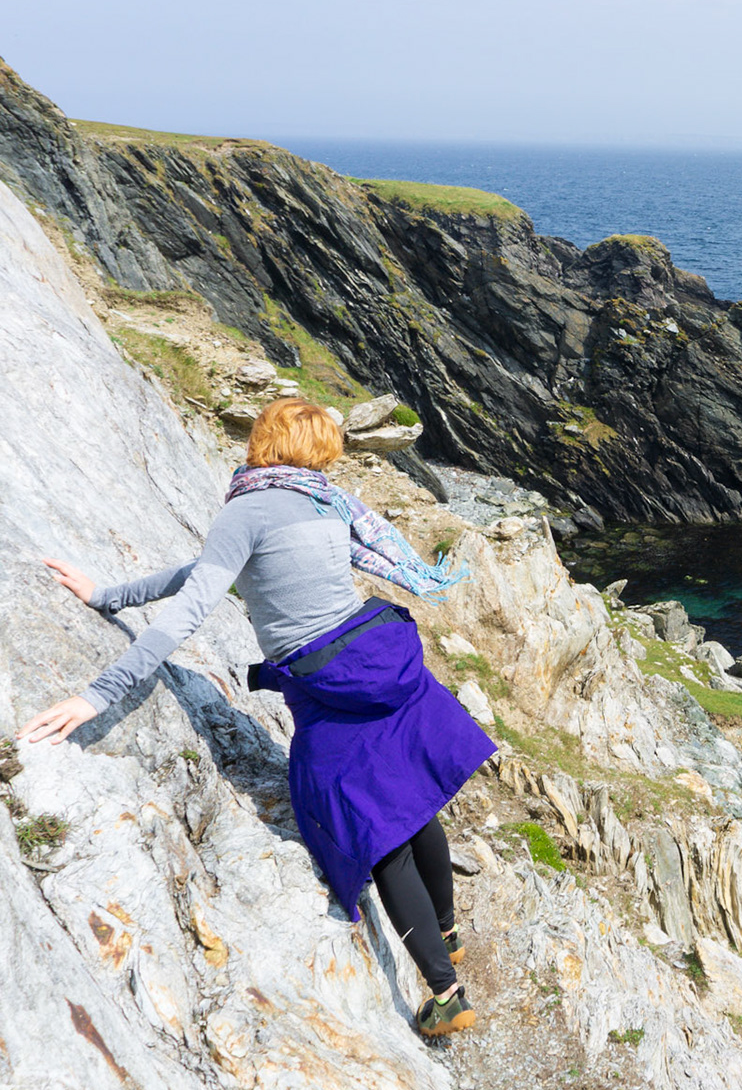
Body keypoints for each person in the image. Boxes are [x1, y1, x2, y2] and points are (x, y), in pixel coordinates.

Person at [17, 397, 497, 1037]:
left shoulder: (246, 510)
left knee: (373, 827)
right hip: (379, 655)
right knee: (413, 802)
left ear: (263, 442)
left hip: (328, 686)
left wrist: (98, 695)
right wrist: (109, 595)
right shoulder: (324, 502)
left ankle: (447, 995)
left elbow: (192, 607)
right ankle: (447, 932)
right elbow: (207, 573)